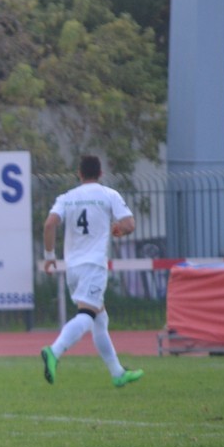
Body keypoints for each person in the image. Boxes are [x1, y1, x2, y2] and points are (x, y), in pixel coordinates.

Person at [41, 154, 144, 387]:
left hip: (73, 268)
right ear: (101, 174)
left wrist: (49, 256)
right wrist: (118, 229)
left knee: (100, 319)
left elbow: (49, 224)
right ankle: (54, 351)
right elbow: (129, 224)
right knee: (87, 316)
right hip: (94, 265)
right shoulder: (109, 194)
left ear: (79, 174)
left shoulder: (67, 197)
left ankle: (117, 373)